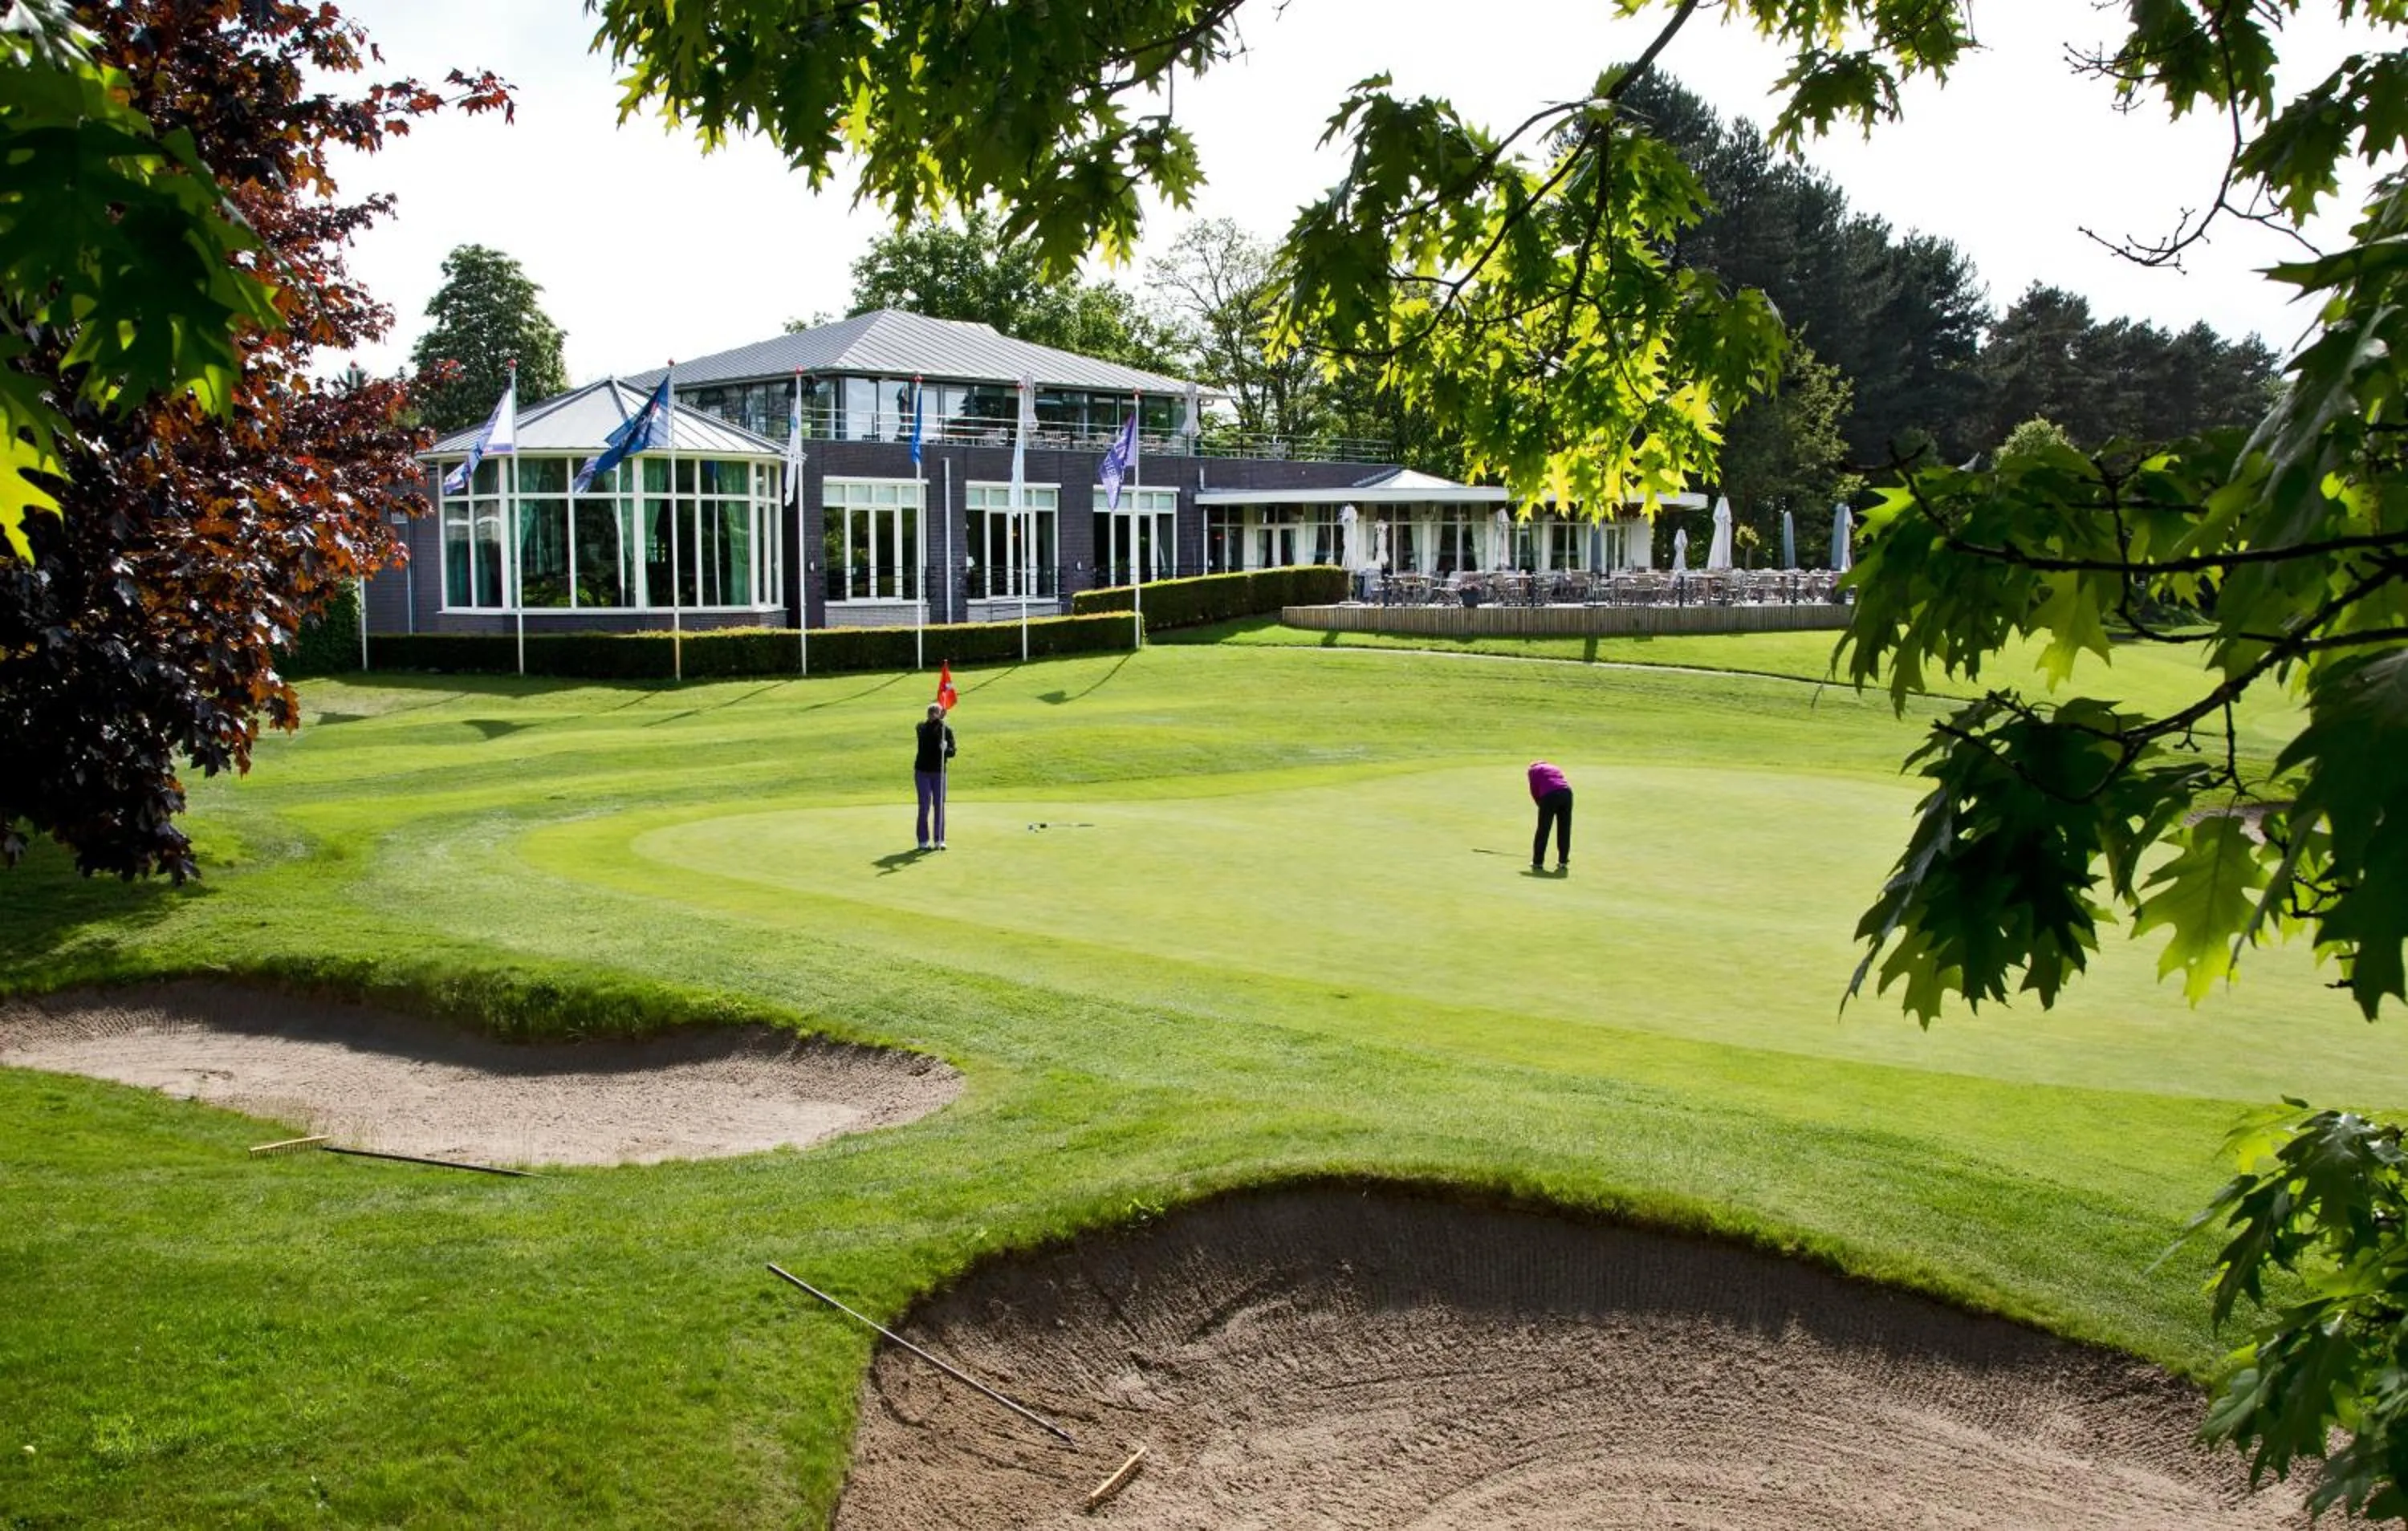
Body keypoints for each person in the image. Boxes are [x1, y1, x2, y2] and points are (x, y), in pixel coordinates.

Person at [914, 702, 956, 850]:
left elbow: (952, 752)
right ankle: (923, 841)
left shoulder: (947, 730)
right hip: (922, 772)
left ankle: (939, 840)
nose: (932, 714)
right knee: (924, 805)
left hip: (939, 772)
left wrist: (946, 748)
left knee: (939, 805)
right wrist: (940, 722)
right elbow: (927, 736)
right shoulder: (921, 727)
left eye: (935, 712)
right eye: (930, 712)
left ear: (940, 713)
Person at [1527, 760, 1571, 874]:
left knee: (1543, 829)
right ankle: (1563, 861)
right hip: (1567, 794)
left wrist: (1540, 805)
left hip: (1550, 795)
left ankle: (1538, 862)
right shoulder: (1554, 767)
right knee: (1564, 828)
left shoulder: (1532, 770)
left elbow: (1534, 790)